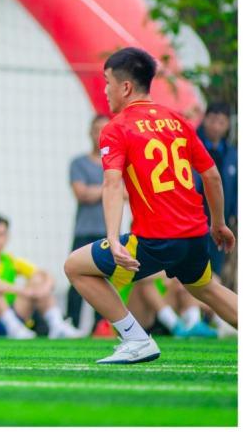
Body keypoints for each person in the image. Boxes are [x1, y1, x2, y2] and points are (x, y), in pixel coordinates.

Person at [64, 47, 237, 364]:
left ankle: (135, 338)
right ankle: (135, 335)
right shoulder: (178, 121)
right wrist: (218, 224)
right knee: (206, 290)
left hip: (158, 238)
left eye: (107, 82)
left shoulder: (117, 128)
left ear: (125, 87)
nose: (105, 90)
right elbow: (211, 175)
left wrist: (114, 238)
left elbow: (112, 184)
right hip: (195, 234)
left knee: (75, 266)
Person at [0, 215, 80, 339]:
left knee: (38, 280)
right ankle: (13, 327)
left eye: (1, 234)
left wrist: (44, 288)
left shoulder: (10, 260)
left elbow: (44, 274)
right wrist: (23, 290)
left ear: (7, 237)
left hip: (13, 318)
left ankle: (57, 325)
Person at [65, 114, 109, 330]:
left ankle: (100, 327)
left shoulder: (116, 163)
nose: (100, 134)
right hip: (84, 230)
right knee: (76, 277)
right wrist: (110, 188)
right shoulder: (78, 163)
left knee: (105, 281)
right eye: (96, 129)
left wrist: (97, 190)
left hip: (108, 232)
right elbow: (81, 193)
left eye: (104, 129)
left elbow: (127, 194)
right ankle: (71, 324)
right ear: (89, 132)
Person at [194, 102, 237, 284]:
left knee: (214, 270)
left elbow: (235, 189)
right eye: (212, 120)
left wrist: (234, 215)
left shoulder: (231, 154)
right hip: (195, 220)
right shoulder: (192, 145)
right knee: (195, 271)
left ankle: (206, 313)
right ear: (204, 119)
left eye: (221, 122)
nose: (216, 126)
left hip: (220, 223)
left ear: (227, 124)